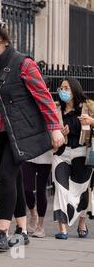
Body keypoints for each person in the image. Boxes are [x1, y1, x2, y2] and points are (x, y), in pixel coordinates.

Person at [0, 15, 65, 251]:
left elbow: (43, 96)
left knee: (6, 175)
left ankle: (2, 232)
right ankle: (23, 230)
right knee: (13, 179)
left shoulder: (23, 63)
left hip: (20, 133)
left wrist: (54, 127)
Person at [53, 78, 94, 239]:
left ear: (75, 89)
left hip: (82, 153)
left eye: (66, 88)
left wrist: (91, 121)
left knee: (81, 190)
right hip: (61, 154)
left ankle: (81, 223)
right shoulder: (56, 108)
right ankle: (62, 229)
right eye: (61, 88)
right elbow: (49, 130)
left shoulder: (89, 106)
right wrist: (59, 134)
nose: (63, 91)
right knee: (61, 189)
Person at [21, 76, 53, 238]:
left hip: (46, 152)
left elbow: (57, 125)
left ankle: (41, 225)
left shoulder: (52, 105)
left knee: (41, 189)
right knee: (26, 188)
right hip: (28, 151)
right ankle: (32, 214)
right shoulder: (26, 105)